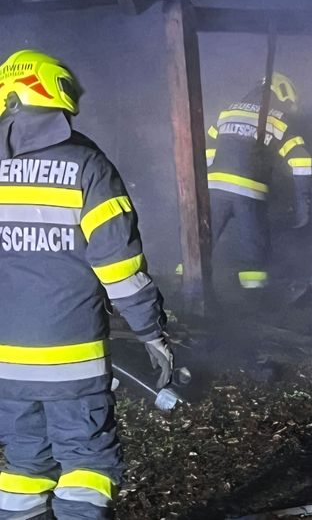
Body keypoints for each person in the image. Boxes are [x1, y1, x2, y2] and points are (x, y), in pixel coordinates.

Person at [0, 50, 171, 520]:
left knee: (22, 467)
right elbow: (118, 266)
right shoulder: (86, 166)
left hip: (6, 363)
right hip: (71, 357)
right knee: (87, 465)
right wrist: (151, 332)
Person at [205, 72, 312, 295]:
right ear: (282, 95)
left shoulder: (227, 111)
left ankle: (181, 289)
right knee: (253, 252)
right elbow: (301, 159)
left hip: (213, 188)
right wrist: (303, 204)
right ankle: (254, 300)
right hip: (249, 192)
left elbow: (207, 150)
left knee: (201, 240)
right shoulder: (277, 117)